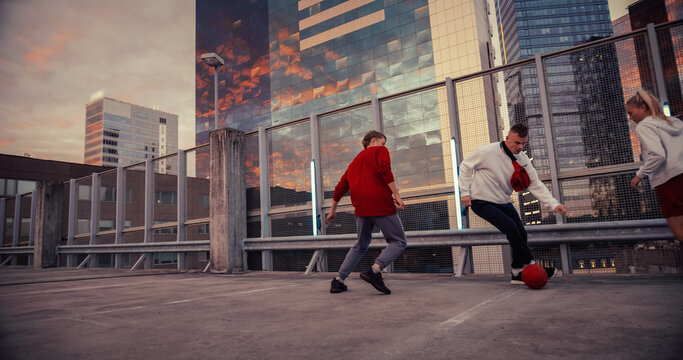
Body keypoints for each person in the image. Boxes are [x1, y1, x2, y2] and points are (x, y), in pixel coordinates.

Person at [459, 124, 567, 284]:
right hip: (481, 201)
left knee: (521, 233)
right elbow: (465, 166)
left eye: (523, 143)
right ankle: (531, 264)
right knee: (511, 228)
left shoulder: (522, 159)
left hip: (503, 201)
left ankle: (517, 273)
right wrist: (465, 192)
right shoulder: (486, 151)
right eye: (517, 142)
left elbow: (534, 183)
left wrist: (552, 204)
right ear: (507, 137)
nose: (520, 147)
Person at [327, 130, 406, 295]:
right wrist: (396, 195)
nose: (384, 146)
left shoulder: (354, 163)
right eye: (383, 143)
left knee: (361, 245)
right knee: (398, 241)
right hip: (380, 205)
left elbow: (340, 188)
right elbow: (385, 169)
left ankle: (338, 281)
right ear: (374, 141)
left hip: (362, 209)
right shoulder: (380, 151)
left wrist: (332, 211)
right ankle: (375, 270)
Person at [626, 88, 683, 241]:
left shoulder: (644, 126)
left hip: (669, 181)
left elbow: (657, 154)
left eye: (631, 113)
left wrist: (639, 175)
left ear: (643, 108)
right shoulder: (673, 122)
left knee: (680, 233)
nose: (630, 118)